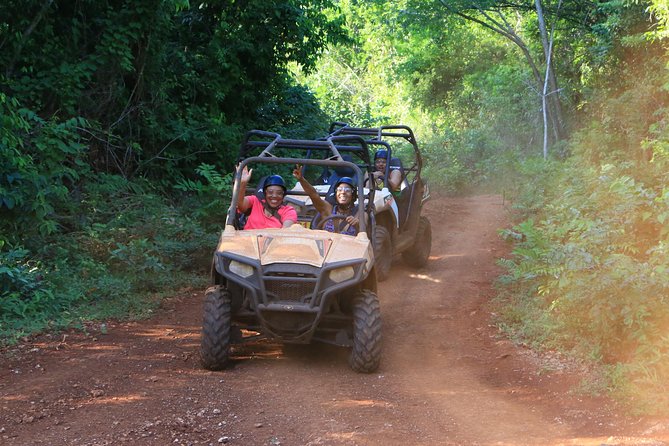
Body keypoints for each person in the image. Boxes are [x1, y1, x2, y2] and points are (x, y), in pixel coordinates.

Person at [293, 165, 359, 236]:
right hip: (325, 246)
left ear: (353, 194)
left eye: (347, 190)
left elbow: (366, 237)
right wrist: (301, 179)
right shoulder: (328, 209)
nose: (343, 192)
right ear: (335, 193)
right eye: (339, 189)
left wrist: (357, 225)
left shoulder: (359, 213)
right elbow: (313, 195)